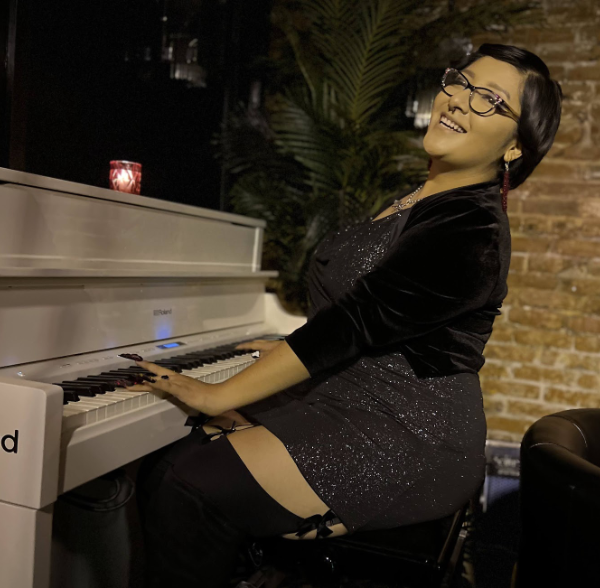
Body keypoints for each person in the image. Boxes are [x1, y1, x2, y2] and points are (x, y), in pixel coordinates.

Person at [130, 43, 562, 588]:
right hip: (356, 396)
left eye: (489, 101)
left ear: (514, 148)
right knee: (167, 464)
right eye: (460, 82)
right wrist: (289, 349)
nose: (458, 101)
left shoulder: (471, 230)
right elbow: (364, 317)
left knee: (185, 485)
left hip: (410, 433)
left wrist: (218, 393)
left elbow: (355, 323)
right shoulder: (423, 196)